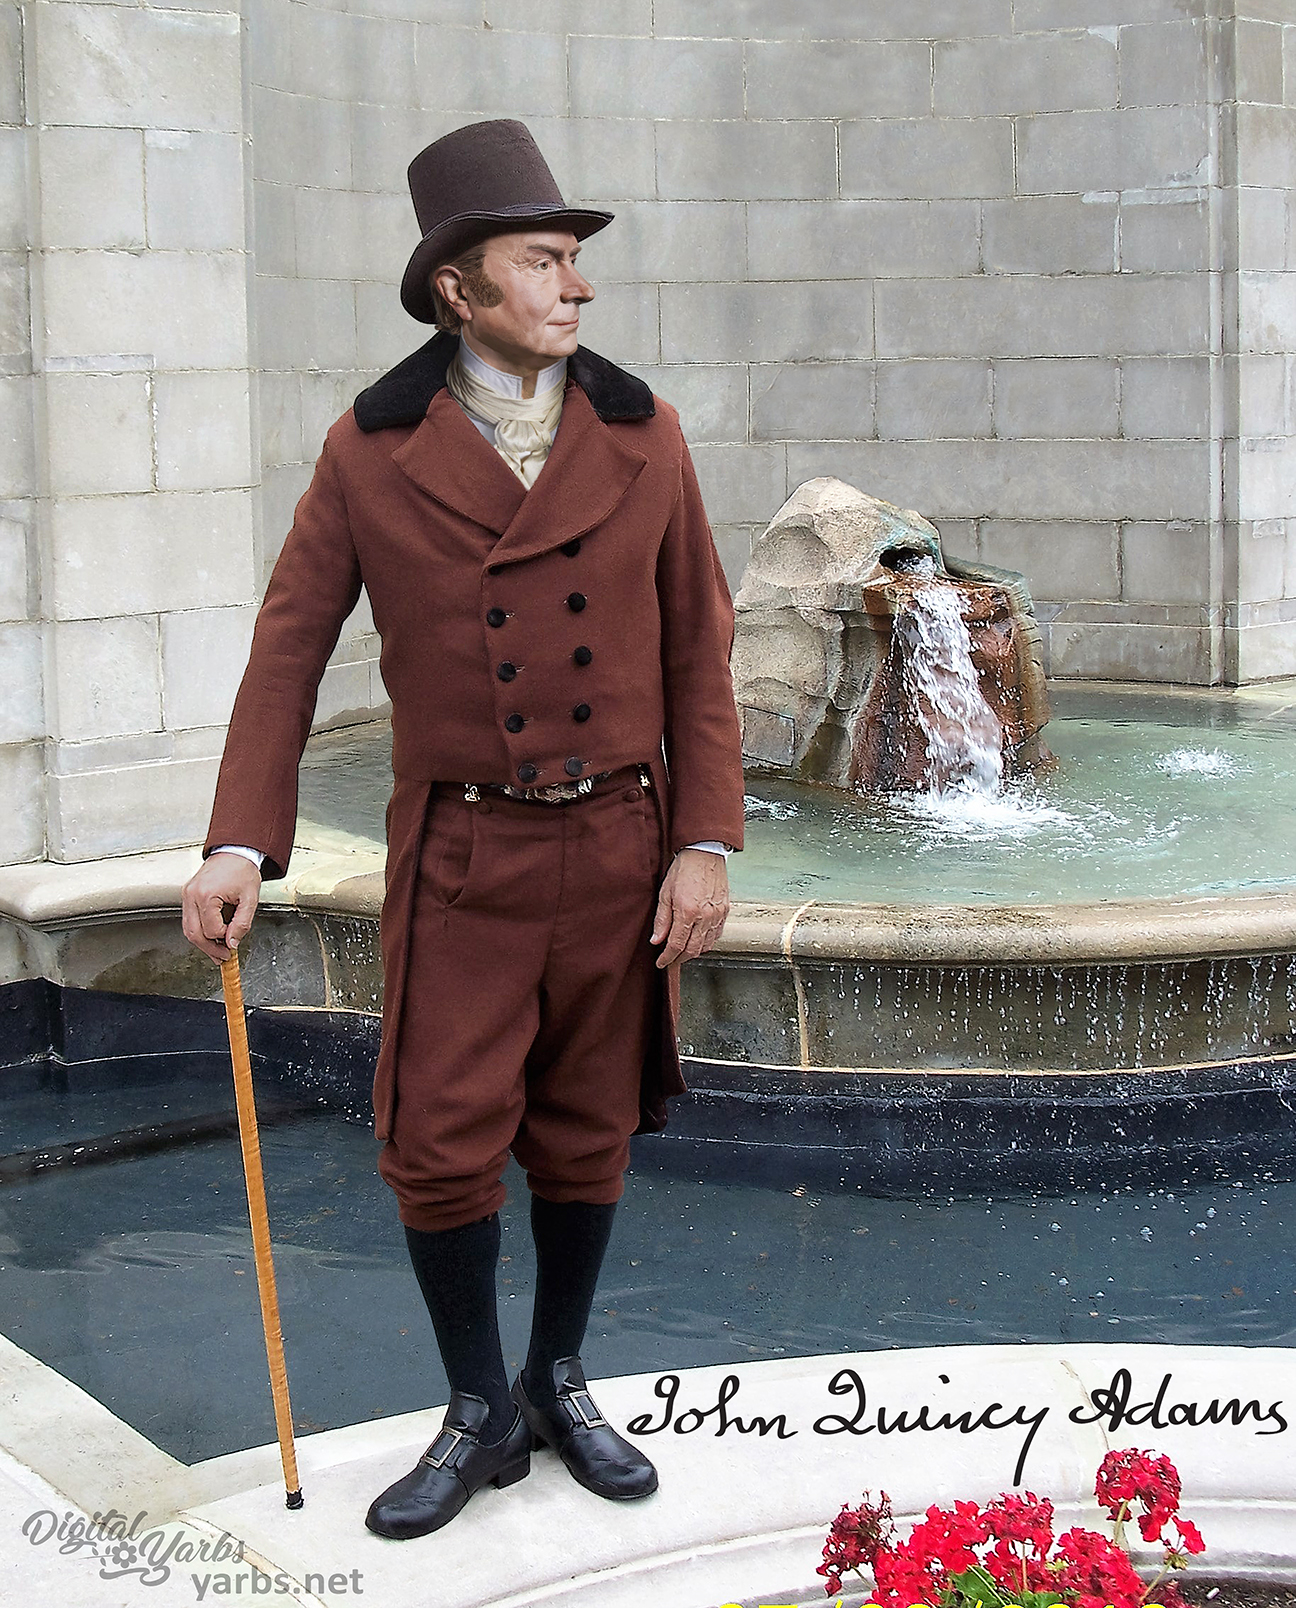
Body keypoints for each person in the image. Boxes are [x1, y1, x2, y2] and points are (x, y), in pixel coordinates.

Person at [180, 118, 746, 1540]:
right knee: (438, 1144)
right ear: (459, 286)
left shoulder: (643, 428)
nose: (577, 286)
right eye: (544, 262)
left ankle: (561, 1379)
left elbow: (702, 649)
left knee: (586, 1131)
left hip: (621, 840)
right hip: (463, 850)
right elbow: (288, 647)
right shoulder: (371, 450)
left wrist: (707, 840)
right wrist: (241, 842)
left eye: (574, 261)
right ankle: (477, 1403)